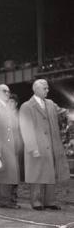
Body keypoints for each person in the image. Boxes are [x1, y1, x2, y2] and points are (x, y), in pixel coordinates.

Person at [18, 79, 70, 210]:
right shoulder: (26, 106)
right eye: (45, 88)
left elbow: (62, 112)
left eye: (47, 88)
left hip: (51, 145)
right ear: (36, 89)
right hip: (37, 146)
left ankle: (50, 201)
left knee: (50, 174)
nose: (48, 90)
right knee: (37, 175)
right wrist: (32, 148)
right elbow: (26, 129)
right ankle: (36, 202)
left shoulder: (51, 104)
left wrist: (69, 112)